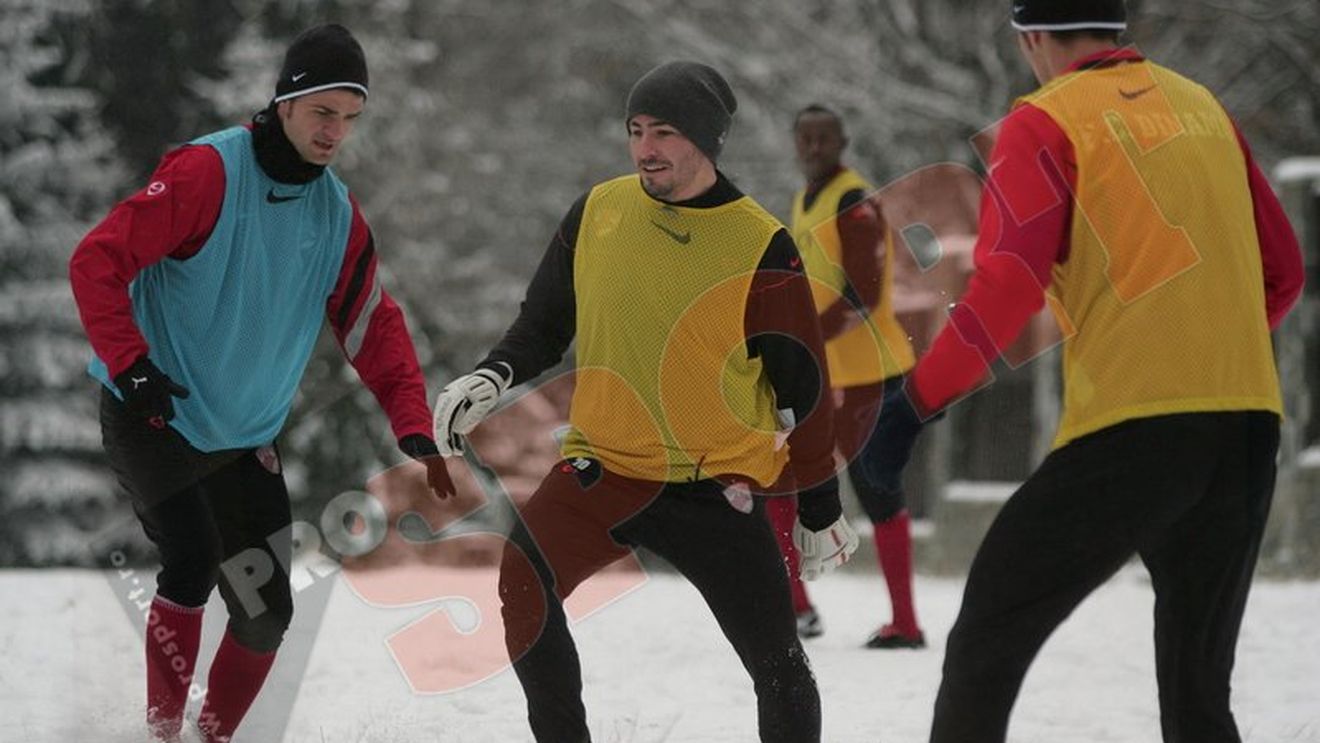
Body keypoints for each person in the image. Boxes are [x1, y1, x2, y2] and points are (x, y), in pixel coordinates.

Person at [865, 2, 1305, 741]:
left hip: (1133, 432)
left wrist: (910, 405)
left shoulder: (1045, 121)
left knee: (987, 638)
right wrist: (1198, 343)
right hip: (1248, 426)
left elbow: (1007, 286)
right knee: (1199, 694)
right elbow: (1284, 272)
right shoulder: (1205, 108)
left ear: (1030, 36)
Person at [432, 61, 859, 742]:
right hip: (603, 469)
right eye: (635, 130)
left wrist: (821, 505)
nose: (645, 148)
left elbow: (800, 386)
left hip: (717, 488)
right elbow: (543, 324)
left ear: (707, 141)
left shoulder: (760, 243)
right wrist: (491, 376)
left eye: (664, 131)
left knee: (778, 662)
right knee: (522, 587)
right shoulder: (598, 211)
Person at [69, 24, 454, 743]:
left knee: (265, 611)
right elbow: (96, 261)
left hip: (242, 438)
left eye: (349, 118)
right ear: (285, 103)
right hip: (153, 410)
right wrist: (131, 363)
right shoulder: (207, 174)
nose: (336, 132)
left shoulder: (336, 213)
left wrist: (411, 420)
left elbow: (373, 321)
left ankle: (212, 737)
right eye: (323, 113)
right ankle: (158, 734)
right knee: (189, 557)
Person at [767, 104, 926, 647]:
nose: (813, 146)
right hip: (825, 370)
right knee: (782, 477)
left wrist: (807, 335)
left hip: (869, 373)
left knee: (876, 489)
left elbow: (863, 294)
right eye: (805, 137)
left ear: (843, 141)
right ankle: (797, 608)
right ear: (795, 142)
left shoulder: (854, 200)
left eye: (824, 137)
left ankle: (905, 623)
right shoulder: (806, 198)